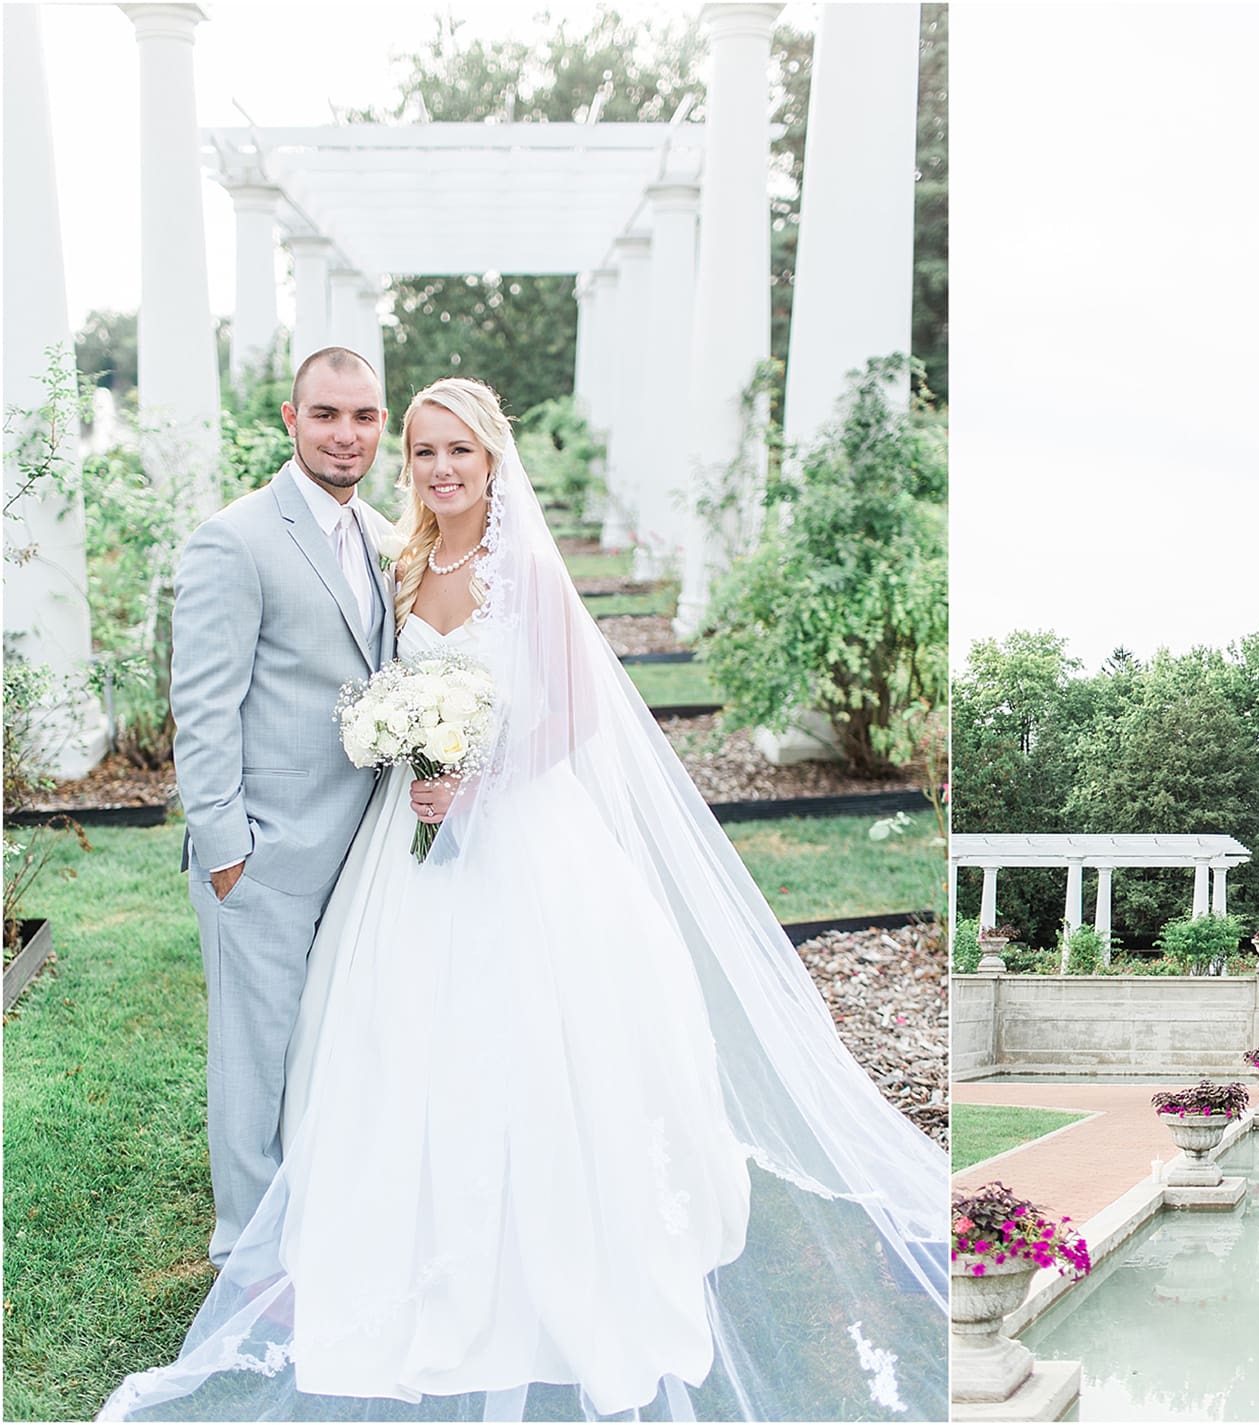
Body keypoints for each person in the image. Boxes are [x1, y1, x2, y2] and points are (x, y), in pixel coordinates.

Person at [105, 378, 949, 1422]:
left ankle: (542, 1235)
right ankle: (369, 1234)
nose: (440, 468)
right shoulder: (400, 560)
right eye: (422, 453)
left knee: (534, 1041)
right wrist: (420, 767)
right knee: (385, 1039)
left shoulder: (529, 573)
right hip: (401, 856)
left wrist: (477, 782)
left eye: (457, 449)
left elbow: (577, 717)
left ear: (494, 457)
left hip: (523, 843)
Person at [169, 347, 398, 1267]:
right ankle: (246, 1248)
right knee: (254, 1054)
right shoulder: (237, 538)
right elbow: (204, 703)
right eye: (327, 415)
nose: (346, 435)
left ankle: (318, 1208)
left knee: (328, 1039)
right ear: (289, 418)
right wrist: (227, 846)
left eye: (365, 417)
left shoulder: (385, 534)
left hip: (364, 845)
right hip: (263, 851)